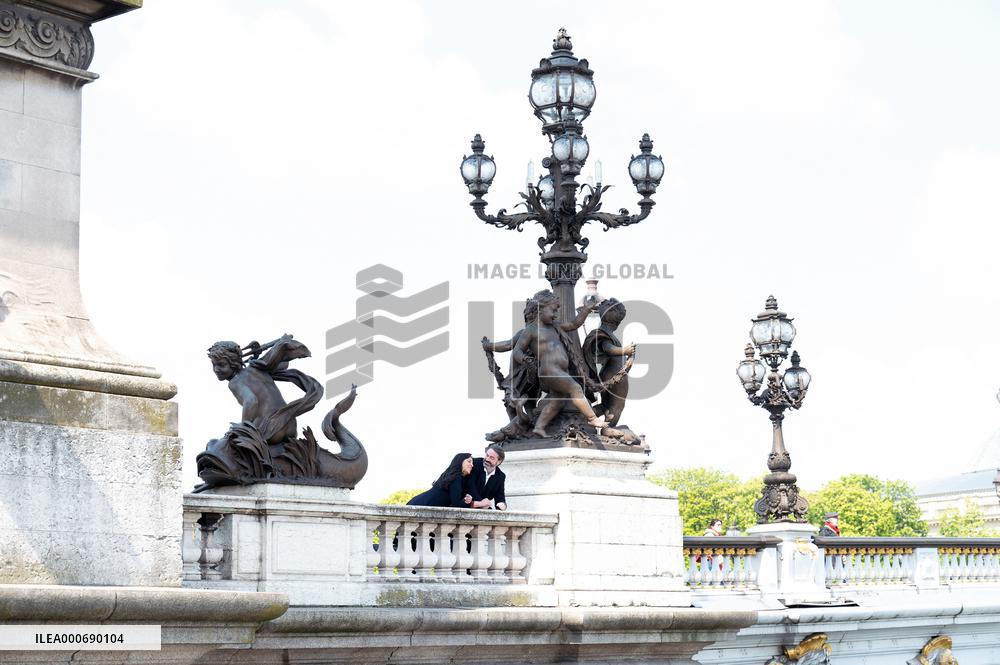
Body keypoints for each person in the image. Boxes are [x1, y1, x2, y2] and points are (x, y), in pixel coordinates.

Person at [406, 453, 475, 508]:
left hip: (417, 503)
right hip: (420, 506)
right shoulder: (457, 477)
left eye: (472, 463)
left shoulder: (452, 476)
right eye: (469, 461)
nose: (472, 465)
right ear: (460, 462)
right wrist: (466, 502)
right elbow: (456, 506)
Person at [470, 444, 507, 511]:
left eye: (491, 458)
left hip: (483, 508)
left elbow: (500, 495)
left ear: (499, 462)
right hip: (467, 504)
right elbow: (470, 487)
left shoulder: (500, 476)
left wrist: (502, 504)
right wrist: (482, 503)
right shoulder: (474, 464)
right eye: (487, 455)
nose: (487, 459)